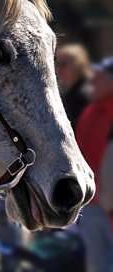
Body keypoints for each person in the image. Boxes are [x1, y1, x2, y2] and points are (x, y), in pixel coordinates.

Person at [75, 56, 113, 272]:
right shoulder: (90, 113)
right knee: (96, 265)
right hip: (91, 206)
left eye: (98, 78)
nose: (92, 82)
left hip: (109, 207)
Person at [56, 44, 91, 129]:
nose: (58, 69)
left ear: (78, 66)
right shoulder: (73, 92)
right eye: (57, 64)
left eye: (63, 64)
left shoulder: (84, 95)